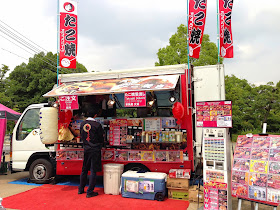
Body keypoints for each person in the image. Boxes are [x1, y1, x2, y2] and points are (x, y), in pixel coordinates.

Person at [78, 106, 104, 198]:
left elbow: (81, 136)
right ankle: (90, 191)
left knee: (84, 169)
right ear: (95, 115)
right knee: (93, 170)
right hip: (95, 149)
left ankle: (80, 189)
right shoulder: (97, 125)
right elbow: (101, 138)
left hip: (86, 149)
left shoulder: (82, 124)